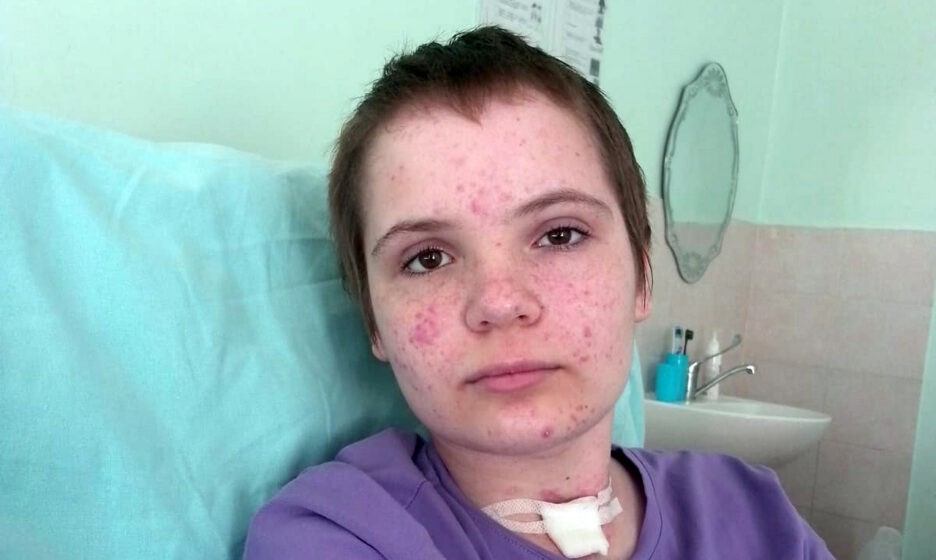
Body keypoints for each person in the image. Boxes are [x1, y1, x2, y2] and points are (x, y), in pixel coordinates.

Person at [243, 27, 832, 559]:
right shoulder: (336, 534)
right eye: (428, 258)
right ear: (374, 321)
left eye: (559, 235)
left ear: (642, 277)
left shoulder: (755, 513)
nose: (500, 302)